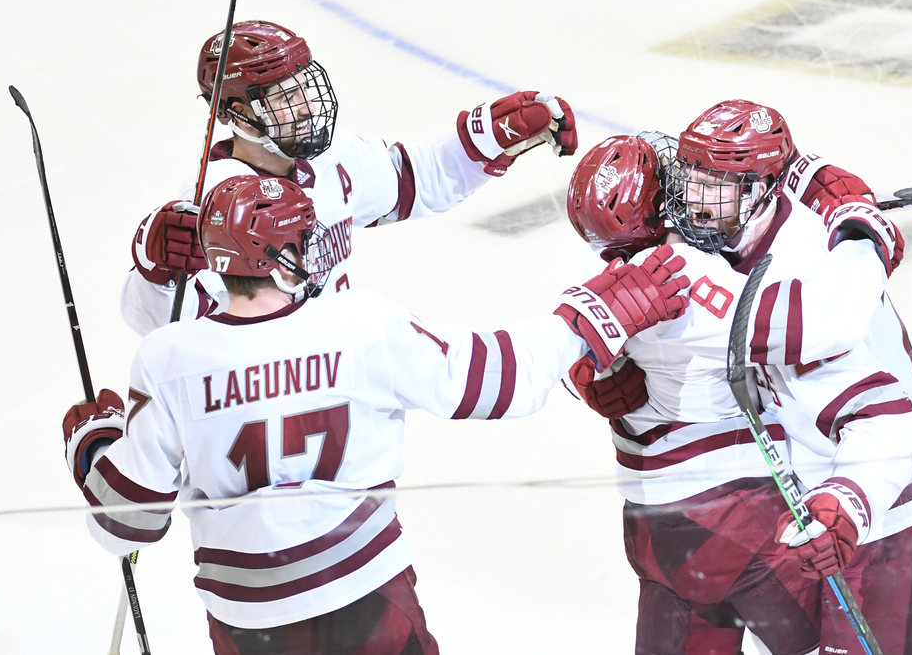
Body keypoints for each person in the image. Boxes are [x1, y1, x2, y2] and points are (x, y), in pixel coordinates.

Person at [63, 174, 688, 655]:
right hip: (365, 597)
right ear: (282, 254)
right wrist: (591, 316)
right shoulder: (358, 325)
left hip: (249, 624)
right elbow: (498, 381)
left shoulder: (169, 357)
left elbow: (124, 526)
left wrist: (93, 444)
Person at [565, 106, 912, 655]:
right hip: (816, 465)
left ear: (760, 190)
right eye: (692, 181)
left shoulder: (798, 285)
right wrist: (595, 363)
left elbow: (880, 412)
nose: (698, 202)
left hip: (891, 476)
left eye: (717, 187)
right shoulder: (727, 239)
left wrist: (848, 503)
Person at [125, 19, 578, 335]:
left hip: (338, 376)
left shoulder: (333, 154)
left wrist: (489, 138)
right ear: (237, 113)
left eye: (305, 85)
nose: (305, 105)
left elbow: (416, 181)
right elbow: (161, 326)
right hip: (267, 398)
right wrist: (155, 273)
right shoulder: (213, 199)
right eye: (285, 97)